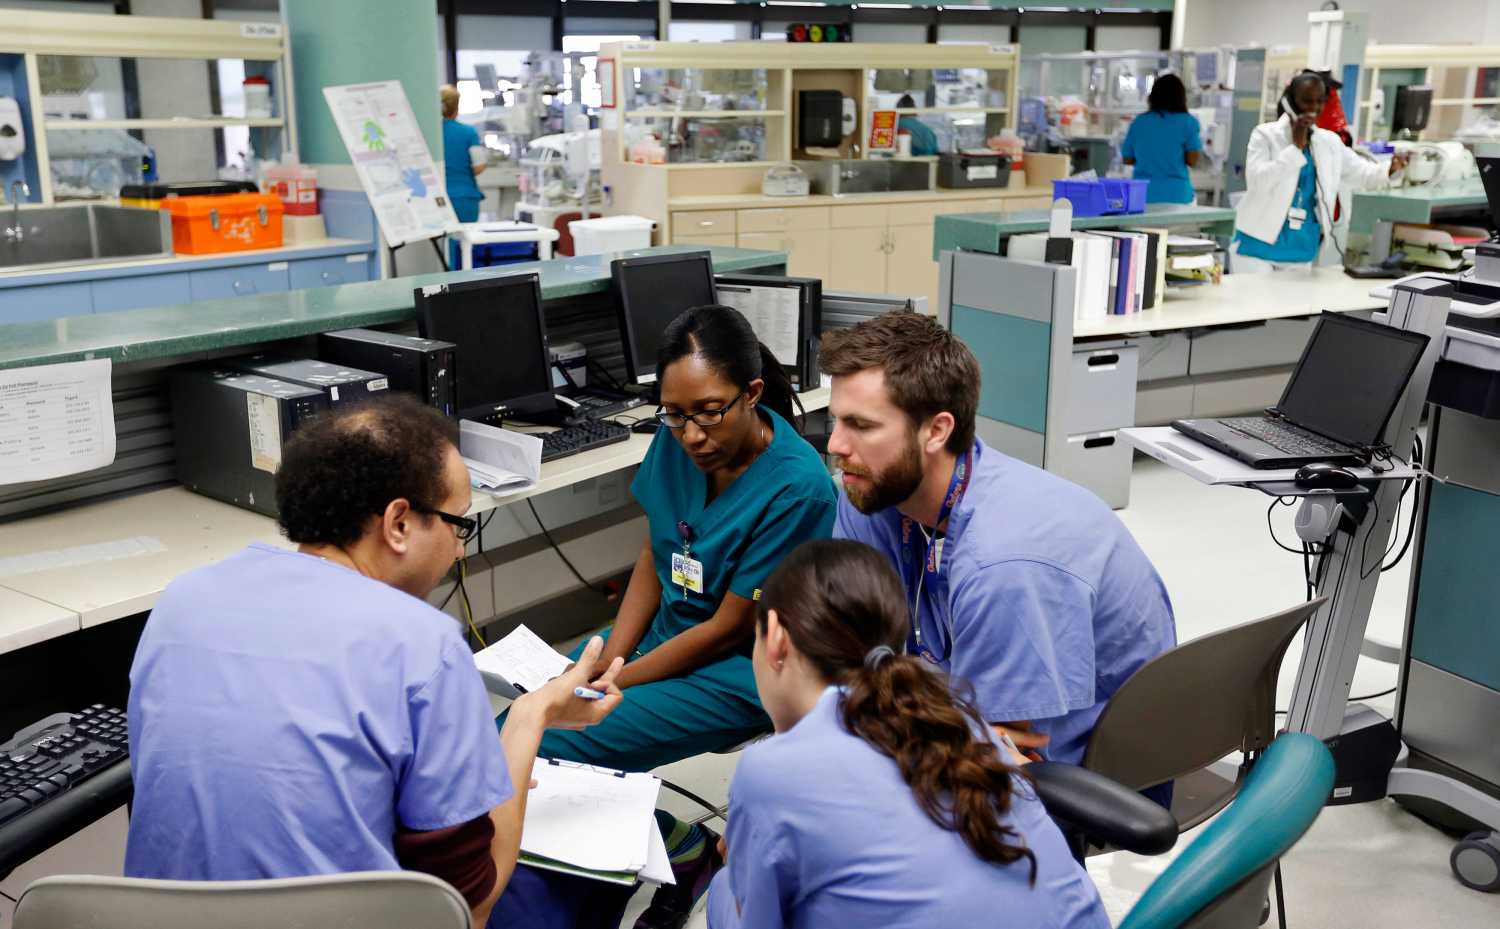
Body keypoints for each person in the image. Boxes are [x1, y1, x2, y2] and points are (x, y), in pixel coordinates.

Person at [125, 395, 623, 929]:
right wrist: (530, 717)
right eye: (460, 524)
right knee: (580, 890)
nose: (459, 551)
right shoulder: (423, 645)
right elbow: (467, 908)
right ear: (399, 523)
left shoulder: (183, 602)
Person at [510, 305, 837, 928]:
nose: (692, 435)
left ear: (753, 394)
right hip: (666, 636)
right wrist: (609, 657)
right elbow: (655, 554)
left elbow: (730, 628)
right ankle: (678, 846)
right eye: (676, 415)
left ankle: (625, 873)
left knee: (552, 742)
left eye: (710, 412)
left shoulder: (798, 486)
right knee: (510, 724)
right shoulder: (678, 438)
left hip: (738, 668)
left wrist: (609, 684)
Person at [822, 311, 1176, 769]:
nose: (835, 445)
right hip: (949, 725)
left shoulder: (1005, 564)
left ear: (937, 430)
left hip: (1071, 775)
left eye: (861, 425)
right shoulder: (872, 490)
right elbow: (844, 652)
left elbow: (998, 760)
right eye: (836, 421)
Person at [706, 538, 1111, 929]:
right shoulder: (953, 716)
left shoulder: (772, 771)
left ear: (775, 636)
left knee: (726, 893)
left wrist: (733, 871)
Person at [1233, 71, 1405, 272]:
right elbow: (1257, 182)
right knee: (1255, 303)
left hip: (1302, 248)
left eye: (1319, 101)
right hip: (1257, 247)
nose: (1314, 108)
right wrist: (1295, 149)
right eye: (1307, 101)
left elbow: (1362, 173)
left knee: (1293, 304)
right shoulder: (1265, 135)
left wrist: (1390, 170)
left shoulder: (1328, 142)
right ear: (1290, 101)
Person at [1121, 73, 1202, 204]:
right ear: (1181, 97)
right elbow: (1192, 160)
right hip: (1177, 195)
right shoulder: (1188, 122)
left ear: (1153, 96)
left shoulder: (1139, 122)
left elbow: (1127, 159)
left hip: (1143, 195)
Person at [442, 84, 486, 224]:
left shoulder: (432, 134)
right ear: (457, 107)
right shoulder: (468, 132)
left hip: (439, 198)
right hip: (465, 198)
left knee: (445, 244)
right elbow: (479, 166)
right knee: (465, 243)